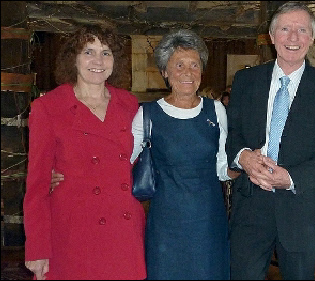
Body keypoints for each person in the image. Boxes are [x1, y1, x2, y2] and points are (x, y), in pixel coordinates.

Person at [226, 2, 315, 279]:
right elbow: (232, 135)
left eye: (302, 30)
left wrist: (290, 178)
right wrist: (243, 156)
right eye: (285, 29)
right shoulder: (246, 81)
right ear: (272, 36)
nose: (293, 38)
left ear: (312, 38)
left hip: (300, 208)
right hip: (250, 208)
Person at [23, 25, 146, 280]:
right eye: (89, 51)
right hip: (73, 231)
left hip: (122, 229)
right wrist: (37, 248)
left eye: (106, 53)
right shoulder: (48, 108)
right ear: (74, 59)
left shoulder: (128, 103)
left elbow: (135, 159)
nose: (98, 61)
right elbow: (36, 185)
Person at [131, 28, 240, 280]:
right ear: (165, 72)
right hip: (165, 223)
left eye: (194, 65)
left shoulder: (215, 111)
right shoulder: (147, 115)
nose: (188, 73)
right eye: (179, 65)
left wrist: (242, 165)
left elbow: (222, 168)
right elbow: (120, 162)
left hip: (208, 220)